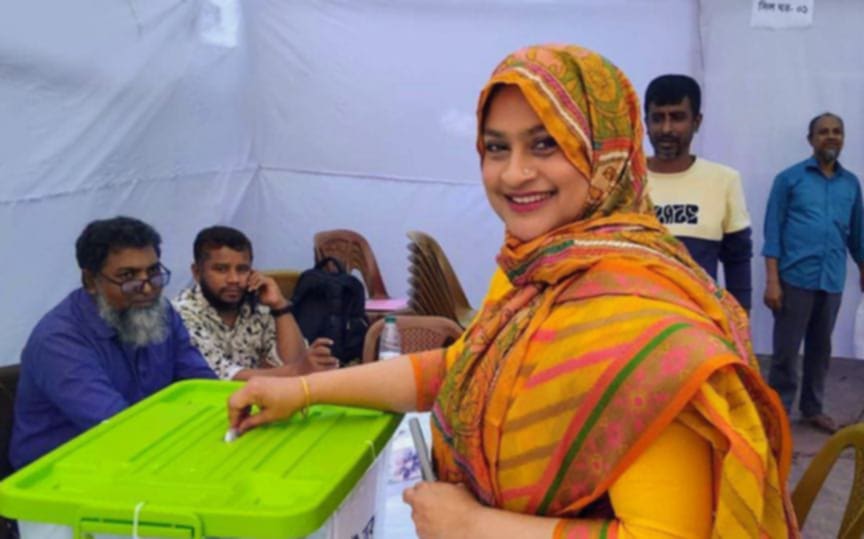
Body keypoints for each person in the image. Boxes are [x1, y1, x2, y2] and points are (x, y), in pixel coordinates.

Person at [227, 45, 797, 537]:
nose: (513, 173)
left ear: (607, 155)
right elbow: (463, 369)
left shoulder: (644, 324)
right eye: (497, 147)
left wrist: (473, 526)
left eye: (546, 144)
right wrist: (304, 390)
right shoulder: (535, 269)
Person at [9, 216, 216, 469]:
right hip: (61, 474)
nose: (147, 289)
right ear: (90, 281)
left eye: (153, 272)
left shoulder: (160, 311)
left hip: (140, 454)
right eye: (128, 276)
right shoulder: (58, 340)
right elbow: (118, 428)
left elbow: (203, 387)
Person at [763, 112, 864, 434]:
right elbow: (773, 232)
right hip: (794, 279)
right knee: (786, 351)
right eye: (823, 132)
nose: (831, 136)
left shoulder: (851, 184)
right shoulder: (789, 180)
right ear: (811, 139)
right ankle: (777, 411)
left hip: (831, 279)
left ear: (843, 138)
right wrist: (772, 281)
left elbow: (858, 236)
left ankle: (812, 409)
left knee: (820, 350)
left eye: (837, 131)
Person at [644, 74, 753, 311]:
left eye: (677, 118)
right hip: (634, 320)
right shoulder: (623, 180)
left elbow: (738, 260)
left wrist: (741, 320)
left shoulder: (724, 180)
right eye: (657, 118)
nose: (666, 129)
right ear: (646, 123)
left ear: (697, 122)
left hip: (698, 322)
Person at [173, 225, 338, 380]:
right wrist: (295, 371)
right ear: (197, 272)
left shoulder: (258, 303)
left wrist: (279, 306)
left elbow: (294, 360)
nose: (234, 279)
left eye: (242, 269)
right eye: (221, 269)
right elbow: (221, 376)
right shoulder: (181, 313)